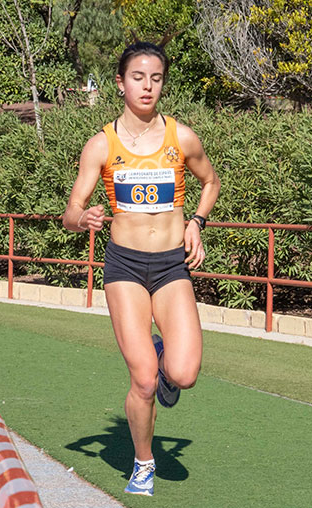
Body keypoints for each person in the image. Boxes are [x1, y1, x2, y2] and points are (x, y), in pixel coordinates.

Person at [62, 42, 220, 496]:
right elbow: (71, 212)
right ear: (120, 83)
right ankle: (144, 461)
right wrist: (83, 218)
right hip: (125, 266)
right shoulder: (101, 145)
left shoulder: (181, 137)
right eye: (137, 77)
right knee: (144, 379)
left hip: (172, 264)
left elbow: (210, 182)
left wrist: (197, 222)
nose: (147, 86)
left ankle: (158, 353)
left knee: (184, 373)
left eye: (155, 78)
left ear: (162, 83)